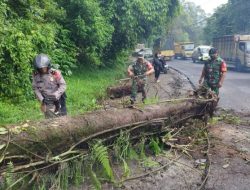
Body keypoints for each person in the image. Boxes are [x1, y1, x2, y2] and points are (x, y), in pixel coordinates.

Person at [32, 54, 67, 118]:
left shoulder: (55, 73)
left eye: (44, 67)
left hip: (58, 98)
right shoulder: (36, 75)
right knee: (50, 119)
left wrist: (56, 95)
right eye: (40, 68)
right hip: (46, 100)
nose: (42, 69)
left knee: (62, 118)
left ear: (48, 65)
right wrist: (42, 99)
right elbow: (35, 88)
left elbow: (63, 85)